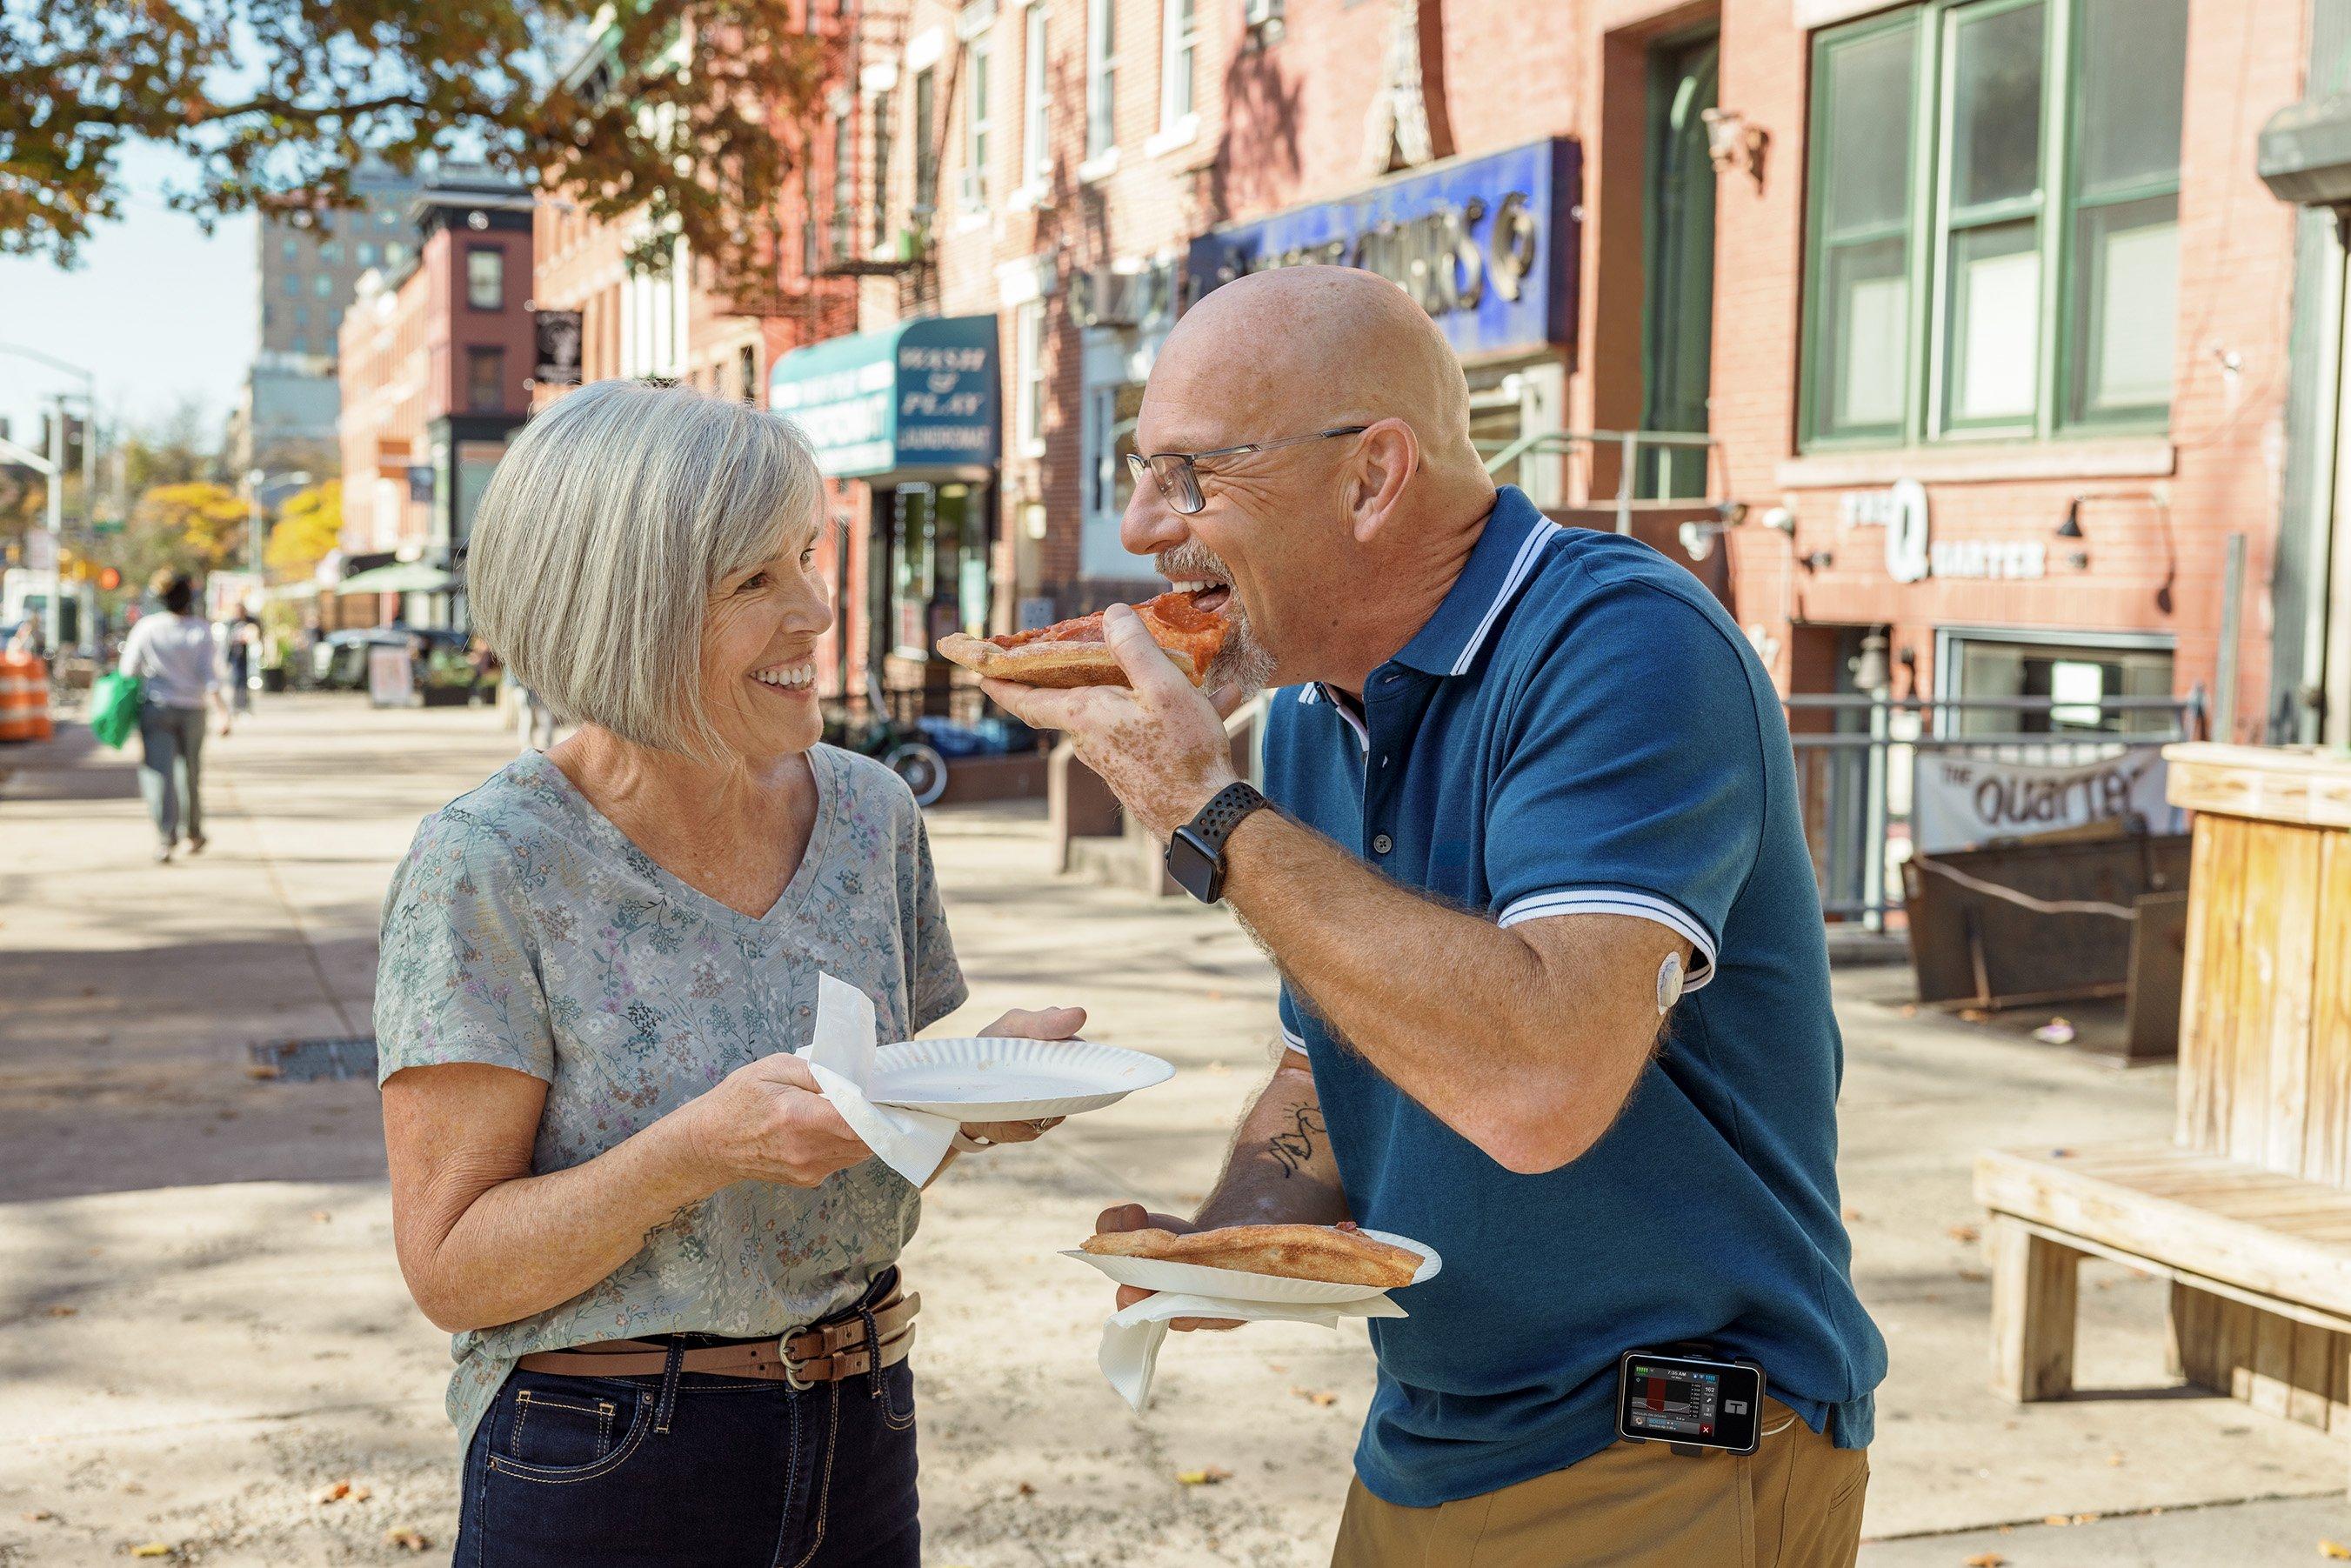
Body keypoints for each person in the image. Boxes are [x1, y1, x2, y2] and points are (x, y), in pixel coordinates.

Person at [982, 267, 1887, 1568]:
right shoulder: (1305, 713)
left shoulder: (1620, 642)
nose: (1142, 528)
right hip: (1431, 1428)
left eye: (1190, 476)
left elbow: (1539, 1075)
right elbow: (1329, 1052)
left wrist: (1208, 813)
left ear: (1371, 476)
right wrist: (1227, 1233)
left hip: (1662, 1442)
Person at [374, 380, 1080, 1568]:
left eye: (804, 557)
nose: (814, 610)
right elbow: (452, 1266)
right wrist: (691, 1150)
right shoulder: (490, 859)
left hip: (864, 1416)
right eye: (752, 581)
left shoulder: (871, 811)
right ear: (622, 608)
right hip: (603, 1451)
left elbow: (855, 1137)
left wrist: (970, 1098)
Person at [117, 571, 230, 863]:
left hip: (157, 709)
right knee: (190, 773)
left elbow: (128, 670)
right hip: (194, 710)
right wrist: (222, 712)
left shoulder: (147, 628)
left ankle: (166, 839)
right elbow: (211, 676)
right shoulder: (201, 630)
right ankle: (193, 832)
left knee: (159, 775)